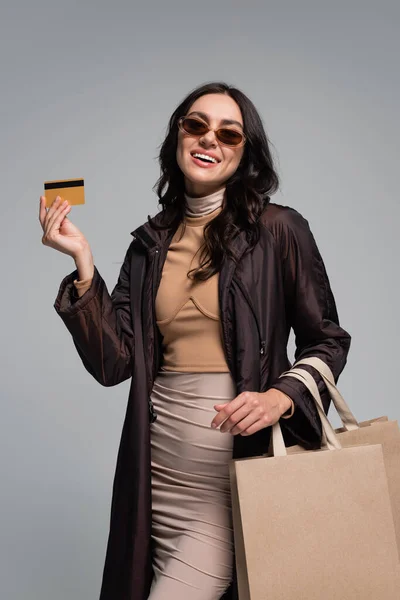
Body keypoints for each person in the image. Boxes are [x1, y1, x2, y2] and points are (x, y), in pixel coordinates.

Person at [39, 82, 351, 600]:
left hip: (230, 485)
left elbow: (328, 340)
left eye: (229, 133)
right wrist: (83, 265)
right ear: (178, 136)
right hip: (154, 479)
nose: (210, 139)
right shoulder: (148, 245)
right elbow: (114, 363)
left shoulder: (278, 231)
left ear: (245, 153)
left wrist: (281, 397)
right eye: (196, 125)